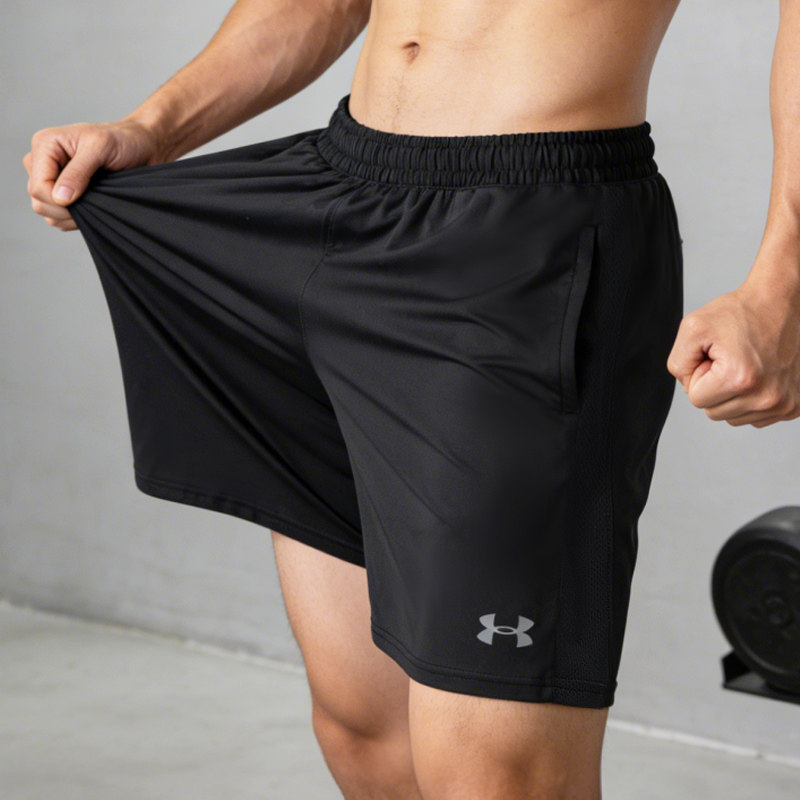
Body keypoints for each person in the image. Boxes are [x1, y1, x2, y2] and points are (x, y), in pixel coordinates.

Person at [22, 0, 800, 797]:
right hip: (335, 195)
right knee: (364, 730)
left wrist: (785, 282)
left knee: (499, 776)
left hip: (524, 234)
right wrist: (155, 126)